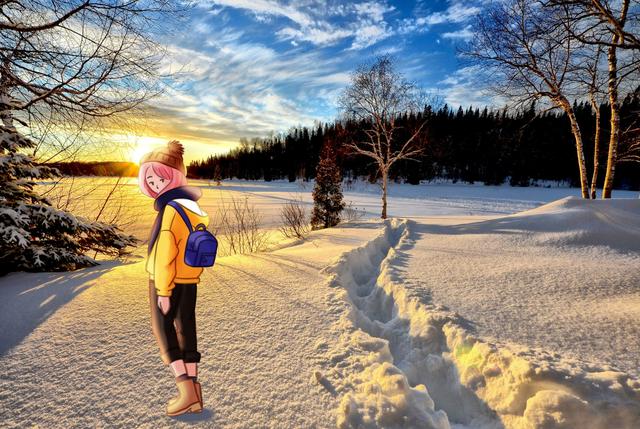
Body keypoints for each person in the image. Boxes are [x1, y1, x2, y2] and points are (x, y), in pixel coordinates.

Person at [138, 140, 209, 416]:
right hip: (189, 279)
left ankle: (186, 391)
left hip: (166, 280)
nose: (155, 183)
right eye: (149, 178)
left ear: (174, 176)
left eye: (159, 177)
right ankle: (195, 393)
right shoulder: (192, 205)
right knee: (185, 329)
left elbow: (167, 249)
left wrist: (164, 290)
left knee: (163, 329)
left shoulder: (170, 209)